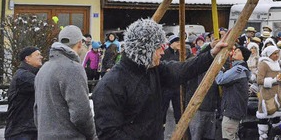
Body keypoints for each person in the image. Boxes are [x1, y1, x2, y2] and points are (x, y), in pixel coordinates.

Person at [92, 18, 227, 139]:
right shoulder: (110, 86)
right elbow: (109, 134)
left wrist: (210, 54)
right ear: (145, 50)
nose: (163, 52)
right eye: (158, 48)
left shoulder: (153, 70)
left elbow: (184, 69)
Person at [34, 25, 97, 140]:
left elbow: (36, 109)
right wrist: (92, 136)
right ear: (79, 43)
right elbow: (81, 114)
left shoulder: (43, 69)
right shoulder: (73, 69)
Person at [4, 47, 43, 140]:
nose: (41, 57)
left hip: (29, 130)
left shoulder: (33, 74)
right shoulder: (23, 76)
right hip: (21, 132)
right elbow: (45, 85)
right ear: (27, 58)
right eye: (37, 55)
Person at [215, 46, 252, 140]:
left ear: (243, 57)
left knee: (228, 136)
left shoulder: (238, 69)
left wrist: (218, 68)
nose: (235, 52)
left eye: (238, 51)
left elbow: (220, 80)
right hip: (234, 109)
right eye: (235, 50)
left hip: (232, 110)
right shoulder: (238, 68)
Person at [256, 45, 281, 139]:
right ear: (269, 54)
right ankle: (263, 137)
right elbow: (259, 80)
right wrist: (273, 81)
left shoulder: (276, 63)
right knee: (264, 119)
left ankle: (275, 136)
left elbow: (280, 79)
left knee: (276, 119)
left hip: (277, 96)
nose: (277, 55)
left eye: (277, 53)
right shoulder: (264, 64)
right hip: (266, 96)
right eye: (274, 53)